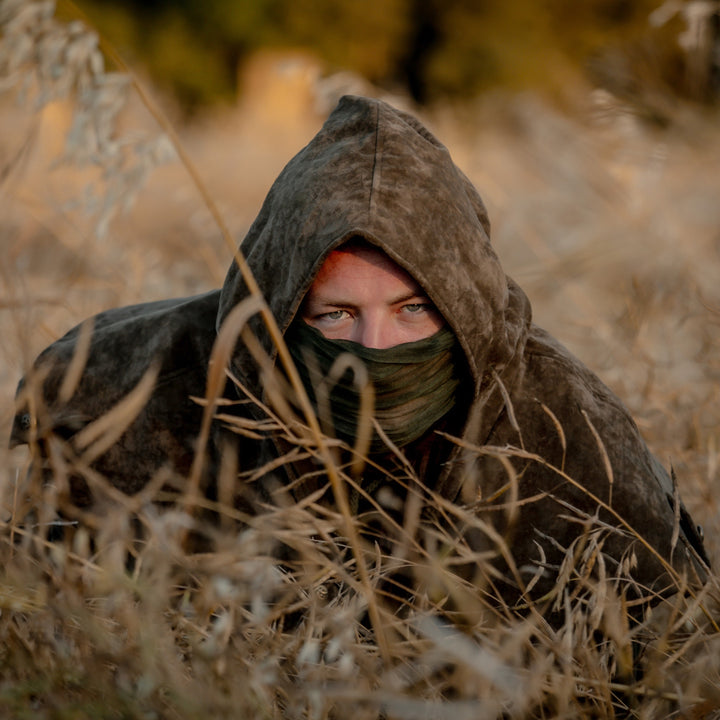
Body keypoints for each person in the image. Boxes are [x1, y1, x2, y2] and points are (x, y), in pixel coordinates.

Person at [10, 95, 709, 608]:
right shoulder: (131, 385)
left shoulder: (562, 426)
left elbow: (667, 643)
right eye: (337, 314)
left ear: (463, 310)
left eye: (414, 312)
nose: (374, 351)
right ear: (281, 312)